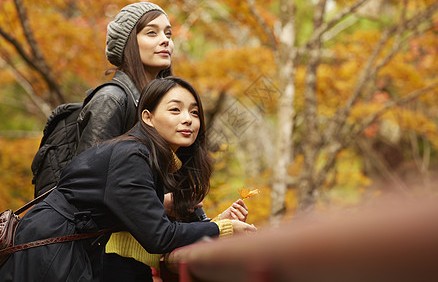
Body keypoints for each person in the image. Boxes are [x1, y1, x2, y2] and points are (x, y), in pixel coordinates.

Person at [0, 76, 257, 281]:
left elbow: (140, 231)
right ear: (148, 118)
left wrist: (209, 223)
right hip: (49, 256)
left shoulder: (146, 156)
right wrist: (222, 229)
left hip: (63, 251)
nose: (187, 119)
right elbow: (159, 237)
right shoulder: (132, 155)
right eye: (175, 110)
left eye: (194, 112)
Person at [73, 2, 249, 279]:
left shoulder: (164, 101)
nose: (165, 40)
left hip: (132, 255)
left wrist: (201, 217)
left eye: (168, 33)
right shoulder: (113, 99)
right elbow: (90, 190)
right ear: (129, 43)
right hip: (95, 260)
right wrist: (162, 203)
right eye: (151, 33)